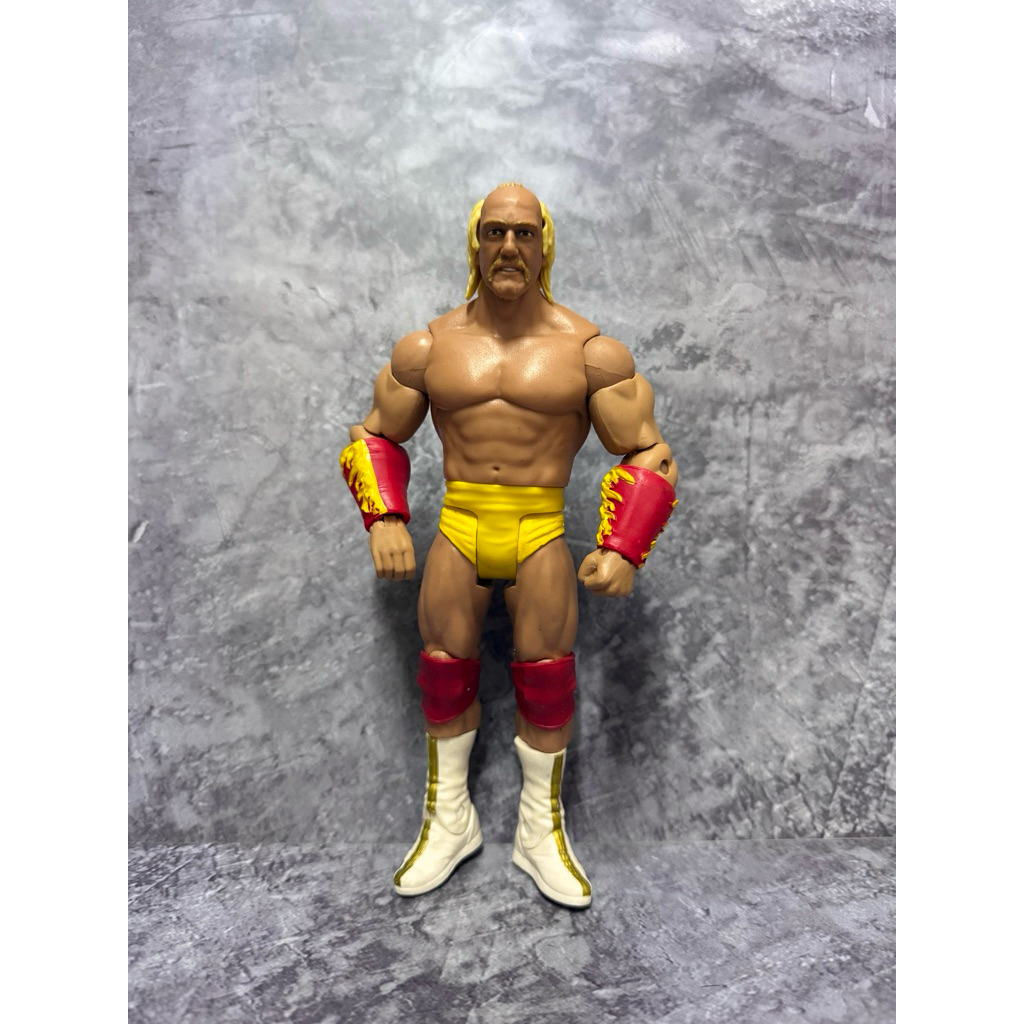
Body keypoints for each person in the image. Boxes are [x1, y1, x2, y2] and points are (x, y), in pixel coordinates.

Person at [340, 183, 677, 908]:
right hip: (460, 523)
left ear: (545, 243)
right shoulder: (429, 347)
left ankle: (538, 832)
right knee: (443, 671)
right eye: (495, 231)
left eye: (524, 233)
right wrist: (385, 518)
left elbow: (649, 450)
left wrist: (624, 546)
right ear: (475, 241)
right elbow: (375, 432)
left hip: (539, 528)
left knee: (548, 677)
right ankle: (449, 823)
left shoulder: (589, 353)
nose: (509, 247)